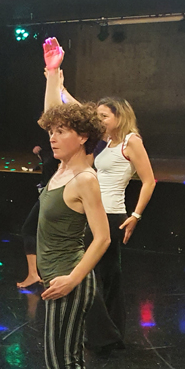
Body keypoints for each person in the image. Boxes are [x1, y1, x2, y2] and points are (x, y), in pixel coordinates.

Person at [29, 37, 110, 369]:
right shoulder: (61, 167)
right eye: (51, 132)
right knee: (69, 360)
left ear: (83, 138)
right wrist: (52, 73)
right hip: (58, 279)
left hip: (69, 282)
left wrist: (72, 280)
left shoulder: (84, 178)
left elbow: (102, 239)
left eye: (62, 132)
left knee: (61, 363)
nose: (53, 137)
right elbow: (52, 113)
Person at [56, 74, 157, 353]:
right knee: (108, 275)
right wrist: (60, 87)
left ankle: (105, 334)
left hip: (111, 215)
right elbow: (81, 110)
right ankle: (112, 334)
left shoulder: (131, 141)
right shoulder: (107, 141)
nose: (99, 120)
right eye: (98, 115)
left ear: (119, 116)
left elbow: (149, 181)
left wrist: (136, 216)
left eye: (104, 116)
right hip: (95, 211)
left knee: (93, 275)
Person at [16, 143, 59, 289]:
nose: (53, 138)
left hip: (55, 194)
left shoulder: (65, 155)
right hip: (48, 193)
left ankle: (41, 274)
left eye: (59, 132)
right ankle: (35, 274)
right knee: (31, 230)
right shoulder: (53, 153)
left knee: (31, 230)